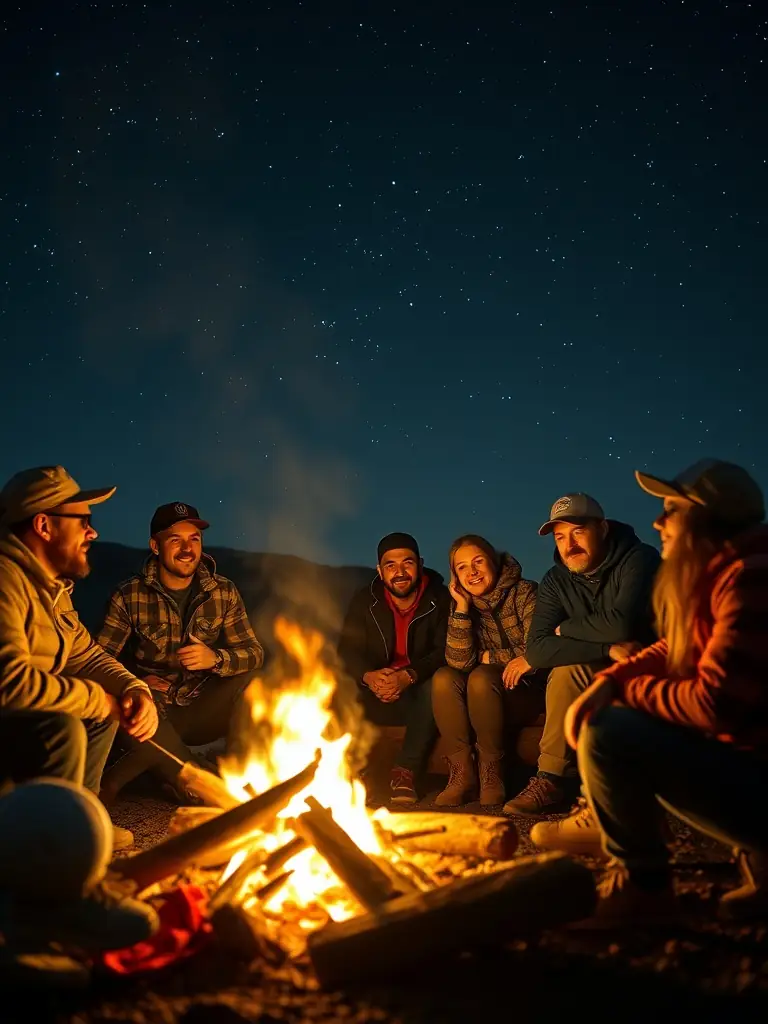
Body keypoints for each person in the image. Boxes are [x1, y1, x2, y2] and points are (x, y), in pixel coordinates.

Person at [541, 460, 768, 925]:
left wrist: (625, 693)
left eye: (671, 509)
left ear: (710, 517)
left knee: (612, 730)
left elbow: (715, 703)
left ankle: (642, 887)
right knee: (604, 700)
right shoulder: (719, 572)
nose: (657, 521)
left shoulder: (752, 575)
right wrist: (611, 681)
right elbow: (672, 645)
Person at [0, 466, 158, 851]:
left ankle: (82, 822)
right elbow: (8, 683)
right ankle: (51, 848)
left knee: (107, 707)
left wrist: (132, 689)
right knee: (64, 727)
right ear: (44, 525)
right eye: (82, 521)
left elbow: (84, 654)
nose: (93, 532)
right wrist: (93, 699)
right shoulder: (7, 580)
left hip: (18, 721)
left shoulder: (51, 587)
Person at [502, 492, 660, 817]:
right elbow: (537, 648)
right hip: (598, 661)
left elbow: (621, 625)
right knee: (564, 672)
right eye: (560, 537)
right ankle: (550, 779)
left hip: (643, 662)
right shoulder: (556, 580)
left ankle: (610, 795)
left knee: (581, 671)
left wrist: (567, 627)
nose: (569, 544)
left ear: (601, 529)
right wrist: (604, 647)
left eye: (577, 532)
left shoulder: (639, 558)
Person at [97, 502, 264, 803]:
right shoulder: (129, 595)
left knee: (254, 683)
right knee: (127, 706)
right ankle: (207, 783)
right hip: (155, 708)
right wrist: (134, 680)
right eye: (176, 540)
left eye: (194, 539)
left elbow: (253, 653)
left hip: (201, 705)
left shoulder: (222, 591)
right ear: (156, 546)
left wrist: (216, 659)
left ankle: (237, 769)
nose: (187, 549)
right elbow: (99, 659)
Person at [337, 532, 450, 806]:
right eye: (390, 565)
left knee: (439, 682)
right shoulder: (366, 600)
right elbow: (347, 650)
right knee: (334, 685)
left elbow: (445, 651)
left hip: (418, 691)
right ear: (380, 570)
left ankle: (405, 771)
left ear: (420, 564)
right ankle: (356, 773)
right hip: (376, 690)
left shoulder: (439, 598)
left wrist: (408, 675)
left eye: (407, 563)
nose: (400, 572)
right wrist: (369, 676)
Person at [431, 535, 541, 807]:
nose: (473, 572)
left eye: (478, 562)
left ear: (493, 562)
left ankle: (492, 772)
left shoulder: (525, 592)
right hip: (485, 697)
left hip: (528, 689)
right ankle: (461, 774)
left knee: (480, 677)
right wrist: (462, 608)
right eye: (463, 567)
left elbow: (537, 649)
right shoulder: (461, 604)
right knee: (444, 678)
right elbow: (459, 662)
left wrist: (490, 657)